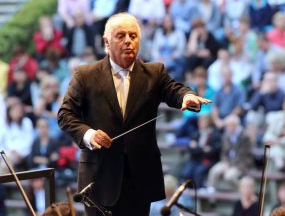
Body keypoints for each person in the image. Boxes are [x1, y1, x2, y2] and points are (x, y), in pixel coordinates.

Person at [57, 12, 210, 216]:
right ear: (106, 42)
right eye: (121, 36)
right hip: (99, 180)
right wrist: (89, 135)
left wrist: (186, 97)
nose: (128, 41)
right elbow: (65, 114)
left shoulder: (155, 73)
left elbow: (175, 90)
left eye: (133, 35)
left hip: (139, 179)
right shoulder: (85, 75)